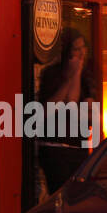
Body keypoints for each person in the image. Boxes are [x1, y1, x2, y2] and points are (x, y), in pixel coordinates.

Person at [36, 29, 98, 195]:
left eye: (83, 48)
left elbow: (78, 107)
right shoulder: (51, 74)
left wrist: (77, 74)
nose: (81, 53)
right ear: (67, 52)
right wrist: (70, 78)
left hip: (78, 149)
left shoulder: (86, 77)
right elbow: (56, 105)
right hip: (55, 148)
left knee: (76, 197)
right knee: (59, 195)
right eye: (76, 49)